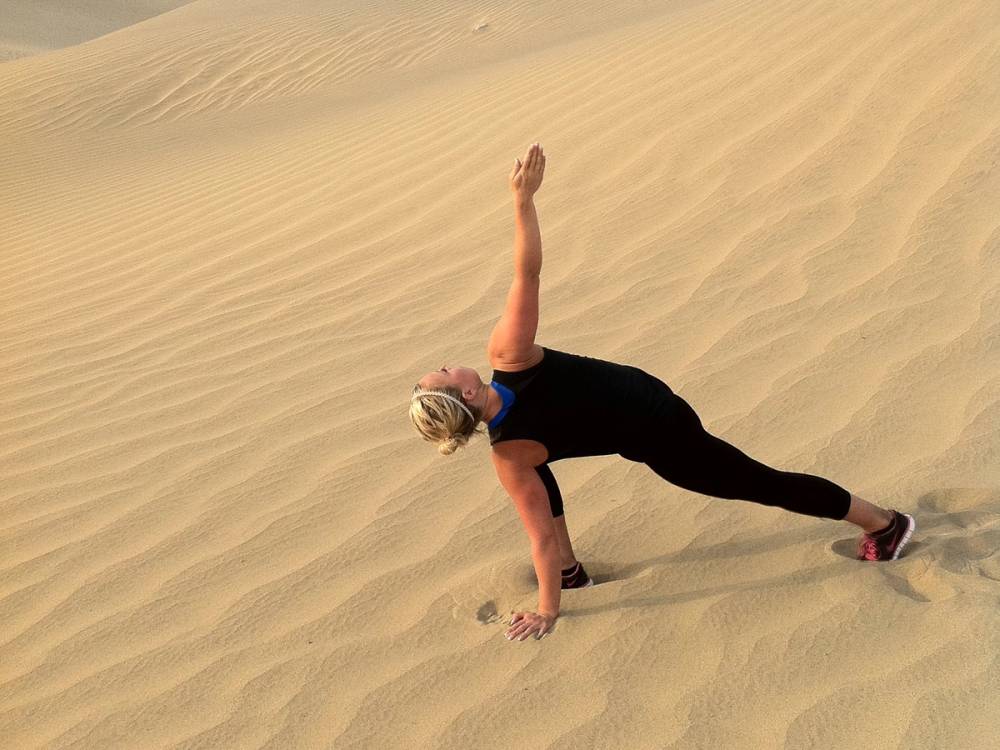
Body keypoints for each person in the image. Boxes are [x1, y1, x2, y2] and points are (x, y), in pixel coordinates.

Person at [408, 143, 916, 643]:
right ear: (467, 391)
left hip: (660, 426)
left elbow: (537, 532)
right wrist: (523, 201)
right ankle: (568, 572)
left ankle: (883, 524)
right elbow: (528, 273)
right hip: (645, 410)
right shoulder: (509, 359)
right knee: (541, 471)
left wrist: (547, 611)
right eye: (442, 372)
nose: (446, 363)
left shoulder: (508, 453)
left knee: (758, 482)